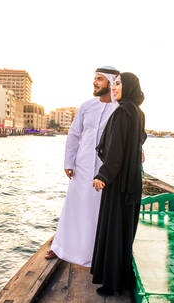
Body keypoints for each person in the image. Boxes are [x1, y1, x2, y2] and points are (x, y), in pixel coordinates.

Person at [46, 66, 120, 267]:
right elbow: (73, 133)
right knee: (74, 206)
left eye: (99, 79)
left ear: (111, 82)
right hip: (83, 165)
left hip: (106, 170)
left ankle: (95, 253)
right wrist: (69, 161)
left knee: (97, 210)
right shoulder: (87, 106)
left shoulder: (120, 108)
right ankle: (61, 247)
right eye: (95, 79)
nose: (95, 82)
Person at [90, 72, 147, 296]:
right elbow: (139, 138)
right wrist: (138, 150)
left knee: (113, 229)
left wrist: (103, 176)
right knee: (124, 231)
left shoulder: (122, 112)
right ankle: (122, 279)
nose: (114, 87)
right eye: (113, 84)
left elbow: (115, 150)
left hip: (118, 181)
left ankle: (111, 284)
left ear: (129, 86)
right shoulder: (137, 112)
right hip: (132, 180)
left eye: (119, 84)